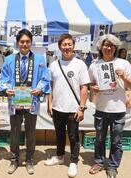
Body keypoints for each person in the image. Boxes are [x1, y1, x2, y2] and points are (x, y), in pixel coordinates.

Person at [0, 29, 51, 175]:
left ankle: (29, 160)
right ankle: (14, 159)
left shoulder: (40, 59)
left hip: (32, 101)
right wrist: (6, 89)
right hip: (15, 101)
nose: (25, 44)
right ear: (17, 43)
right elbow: (3, 78)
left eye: (27, 41)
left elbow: (45, 78)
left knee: (31, 132)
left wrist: (40, 88)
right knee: (14, 132)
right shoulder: (9, 60)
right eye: (22, 41)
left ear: (31, 43)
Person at [88, 34, 131, 178]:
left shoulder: (123, 63)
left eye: (111, 46)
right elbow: (90, 83)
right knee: (99, 139)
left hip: (119, 109)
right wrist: (94, 88)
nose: (108, 48)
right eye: (106, 45)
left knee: (116, 140)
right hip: (101, 109)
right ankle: (99, 161)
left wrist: (124, 77)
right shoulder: (94, 65)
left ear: (115, 48)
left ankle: (113, 166)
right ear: (101, 47)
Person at [44, 34, 90, 178]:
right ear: (59, 47)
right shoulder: (53, 65)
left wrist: (81, 107)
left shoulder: (80, 64)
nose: (67, 47)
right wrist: (49, 103)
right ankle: (59, 156)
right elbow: (50, 86)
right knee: (59, 134)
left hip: (73, 108)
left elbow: (84, 88)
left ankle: (73, 161)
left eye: (69, 44)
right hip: (58, 107)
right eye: (64, 44)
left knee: (73, 135)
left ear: (73, 46)